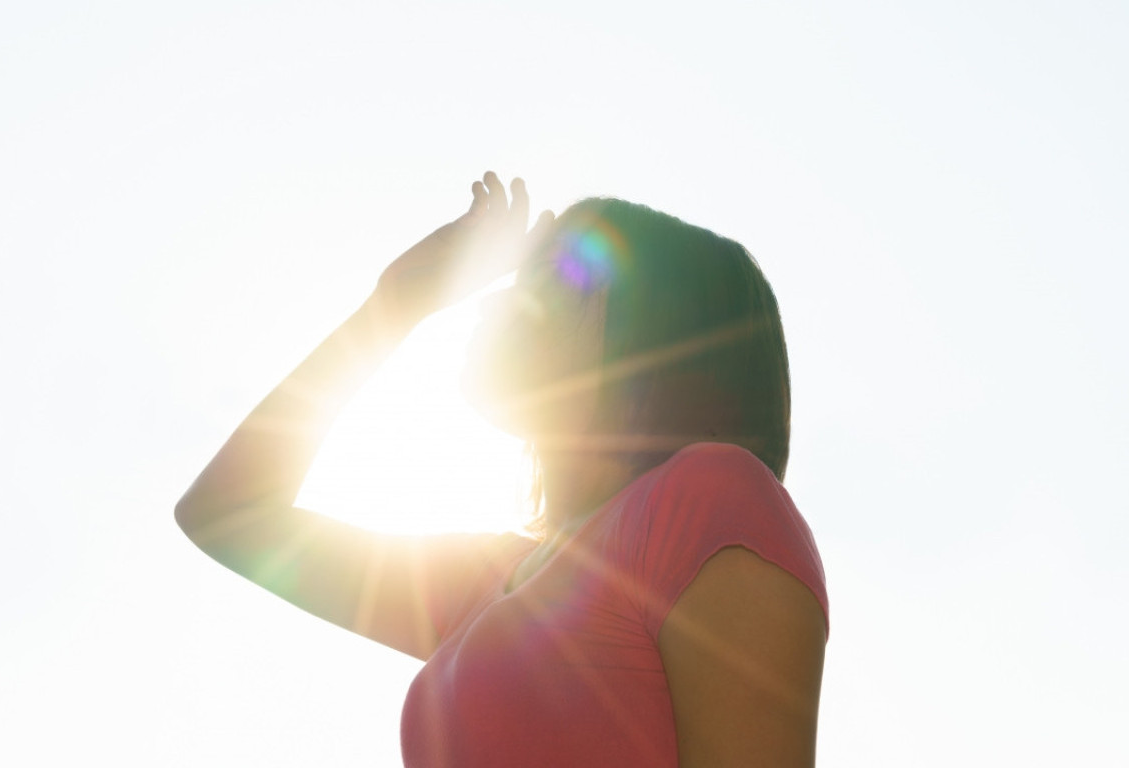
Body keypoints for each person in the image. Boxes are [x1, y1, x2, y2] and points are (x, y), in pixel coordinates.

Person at [176, 172, 829, 767]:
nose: (501, 301)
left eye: (553, 276)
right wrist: (392, 307)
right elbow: (227, 516)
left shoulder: (707, 504)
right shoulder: (492, 585)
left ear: (654, 329)